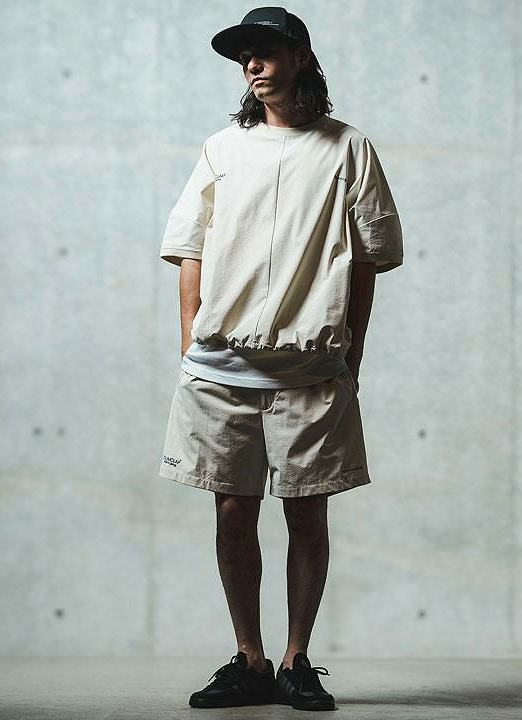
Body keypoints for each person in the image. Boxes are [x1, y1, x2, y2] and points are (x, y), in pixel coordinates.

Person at [158, 6, 403, 712]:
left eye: (265, 52)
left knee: (306, 514)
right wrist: (189, 341)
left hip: (310, 371)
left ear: (300, 58)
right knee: (233, 511)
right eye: (245, 57)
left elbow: (369, 258)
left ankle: (297, 660)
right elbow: (190, 246)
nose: (252, 66)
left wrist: (352, 353)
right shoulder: (222, 148)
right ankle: (250, 658)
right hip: (219, 370)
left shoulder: (348, 148)